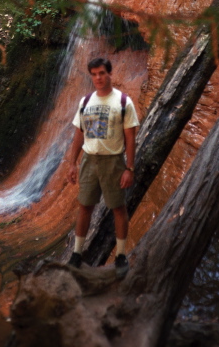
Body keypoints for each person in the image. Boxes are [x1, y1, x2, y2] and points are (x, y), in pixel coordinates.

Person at [67, 57, 139, 276]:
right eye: (94, 74)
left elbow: (130, 138)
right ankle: (77, 253)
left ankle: (120, 255)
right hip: (89, 160)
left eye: (102, 73)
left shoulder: (124, 102)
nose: (98, 78)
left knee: (118, 208)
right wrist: (72, 163)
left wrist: (129, 168)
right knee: (85, 206)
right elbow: (79, 134)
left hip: (113, 161)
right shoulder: (86, 101)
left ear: (110, 74)